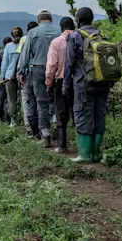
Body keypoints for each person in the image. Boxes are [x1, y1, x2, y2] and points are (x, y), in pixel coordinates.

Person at [64, 7, 113, 163]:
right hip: (103, 82)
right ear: (92, 19)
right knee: (99, 115)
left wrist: (65, 83)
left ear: (77, 19)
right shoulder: (101, 36)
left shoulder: (75, 36)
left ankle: (84, 155)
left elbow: (69, 63)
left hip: (83, 84)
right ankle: (96, 153)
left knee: (83, 115)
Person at [19, 10, 61, 147]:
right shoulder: (59, 31)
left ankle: (46, 135)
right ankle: (57, 124)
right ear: (51, 18)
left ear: (38, 20)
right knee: (56, 99)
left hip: (39, 68)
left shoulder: (33, 33)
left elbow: (25, 56)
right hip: (58, 69)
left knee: (41, 102)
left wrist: (22, 72)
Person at [46, 17, 76, 153]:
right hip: (79, 81)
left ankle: (62, 145)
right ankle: (83, 146)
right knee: (79, 112)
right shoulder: (81, 40)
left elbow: (52, 65)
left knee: (61, 113)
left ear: (61, 27)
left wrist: (49, 82)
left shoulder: (56, 42)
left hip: (61, 81)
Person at [16, 22, 39, 137]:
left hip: (29, 75)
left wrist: (19, 73)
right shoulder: (44, 37)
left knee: (27, 101)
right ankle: (44, 128)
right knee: (42, 101)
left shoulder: (26, 39)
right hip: (43, 73)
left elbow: (22, 57)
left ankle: (30, 128)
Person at [0, 27, 23, 127]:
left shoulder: (8, 46)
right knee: (23, 98)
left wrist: (2, 76)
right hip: (22, 75)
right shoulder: (24, 45)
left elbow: (5, 63)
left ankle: (13, 120)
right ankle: (25, 119)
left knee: (11, 99)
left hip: (9, 76)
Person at [0, 37, 12, 121]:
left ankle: (0, 117)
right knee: (9, 99)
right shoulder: (15, 51)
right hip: (12, 78)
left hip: (2, 78)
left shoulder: (1, 52)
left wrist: (1, 73)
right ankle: (8, 118)